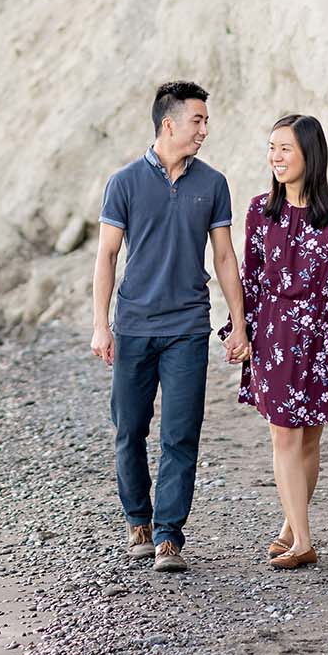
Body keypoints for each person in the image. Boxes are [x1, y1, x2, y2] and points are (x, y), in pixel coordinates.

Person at [91, 81, 248, 572]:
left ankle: (168, 538)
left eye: (206, 120)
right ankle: (138, 520)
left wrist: (238, 323)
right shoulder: (124, 183)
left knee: (181, 434)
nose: (204, 129)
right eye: (197, 120)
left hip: (187, 325)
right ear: (169, 124)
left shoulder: (213, 184)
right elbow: (107, 256)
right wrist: (101, 325)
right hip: (134, 324)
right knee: (130, 430)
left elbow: (224, 256)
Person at [219, 111, 328, 569]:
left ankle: (289, 528)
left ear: (309, 155)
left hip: (321, 335)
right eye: (272, 148)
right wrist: (237, 328)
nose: (276, 158)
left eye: (286, 149)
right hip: (274, 334)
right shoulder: (261, 210)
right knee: (283, 435)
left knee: (309, 441)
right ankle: (303, 540)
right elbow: (251, 277)